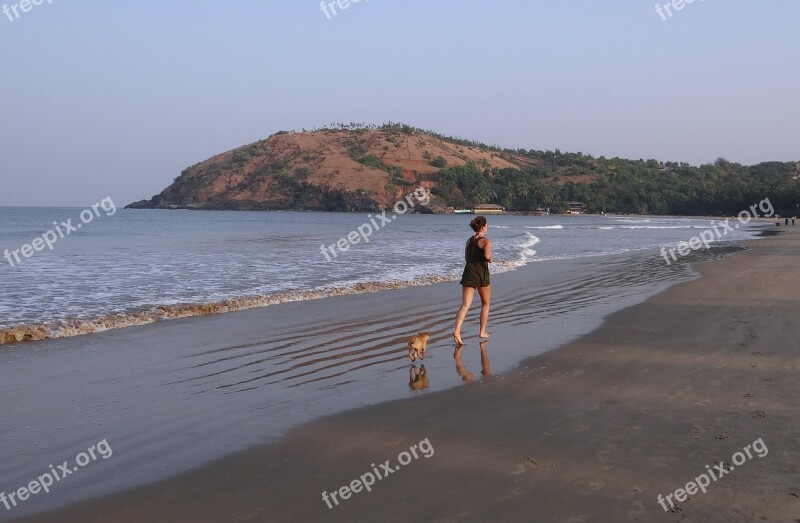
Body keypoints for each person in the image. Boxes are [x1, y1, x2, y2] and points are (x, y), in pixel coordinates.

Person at [453, 216, 492, 345]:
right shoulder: (486, 241)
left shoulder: (469, 241)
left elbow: (466, 257)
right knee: (485, 304)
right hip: (481, 274)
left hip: (469, 273)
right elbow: (487, 256)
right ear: (484, 227)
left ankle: (457, 331)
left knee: (465, 305)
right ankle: (482, 331)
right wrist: (490, 258)